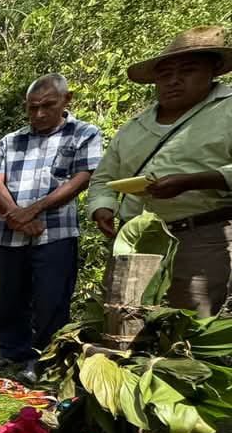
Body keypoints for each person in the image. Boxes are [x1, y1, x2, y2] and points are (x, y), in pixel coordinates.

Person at [87, 26, 232, 317]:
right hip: (136, 242)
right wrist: (103, 207)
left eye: (187, 71)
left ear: (213, 69)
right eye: (165, 75)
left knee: (188, 326)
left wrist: (195, 181)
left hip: (201, 236)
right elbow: (104, 177)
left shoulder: (226, 111)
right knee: (124, 320)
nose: (174, 81)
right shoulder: (134, 126)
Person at [0, 74, 103, 380]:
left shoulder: (84, 134)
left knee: (51, 298)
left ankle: (44, 360)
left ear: (67, 100)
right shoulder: (12, 140)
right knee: (12, 294)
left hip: (55, 232)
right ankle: (12, 350)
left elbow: (82, 178)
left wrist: (34, 210)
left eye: (47, 106)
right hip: (9, 231)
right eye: (32, 107)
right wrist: (15, 214)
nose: (38, 113)